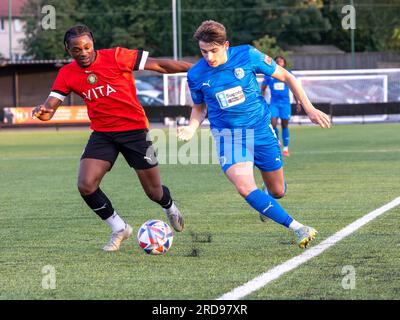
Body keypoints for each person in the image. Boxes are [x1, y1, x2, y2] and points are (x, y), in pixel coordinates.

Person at [32, 25, 190, 252]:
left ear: (93, 43)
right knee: (86, 185)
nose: (83, 52)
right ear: (68, 50)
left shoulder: (117, 56)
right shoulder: (67, 74)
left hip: (135, 132)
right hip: (103, 134)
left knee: (153, 192)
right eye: (76, 49)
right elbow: (48, 111)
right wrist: (40, 111)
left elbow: (160, 65)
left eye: (87, 47)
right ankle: (119, 228)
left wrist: (197, 69)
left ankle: (170, 206)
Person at [177, 20, 330, 249]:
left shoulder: (248, 55)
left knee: (278, 192)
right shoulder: (196, 74)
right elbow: (199, 108)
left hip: (260, 131)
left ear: (226, 45)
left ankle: (267, 196)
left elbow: (287, 76)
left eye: (214, 51)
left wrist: (308, 108)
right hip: (229, 136)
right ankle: (299, 228)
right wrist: (191, 127)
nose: (209, 57)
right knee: (244, 186)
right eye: (203, 51)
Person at [261, 56, 301, 157]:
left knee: (284, 125)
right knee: (273, 123)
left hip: (285, 104)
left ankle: (286, 148)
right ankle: (277, 140)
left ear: (284, 63)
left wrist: (298, 102)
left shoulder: (288, 74)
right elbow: (263, 88)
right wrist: (261, 100)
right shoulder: (269, 74)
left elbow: (294, 88)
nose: (279, 63)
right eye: (277, 61)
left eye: (281, 61)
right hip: (274, 103)